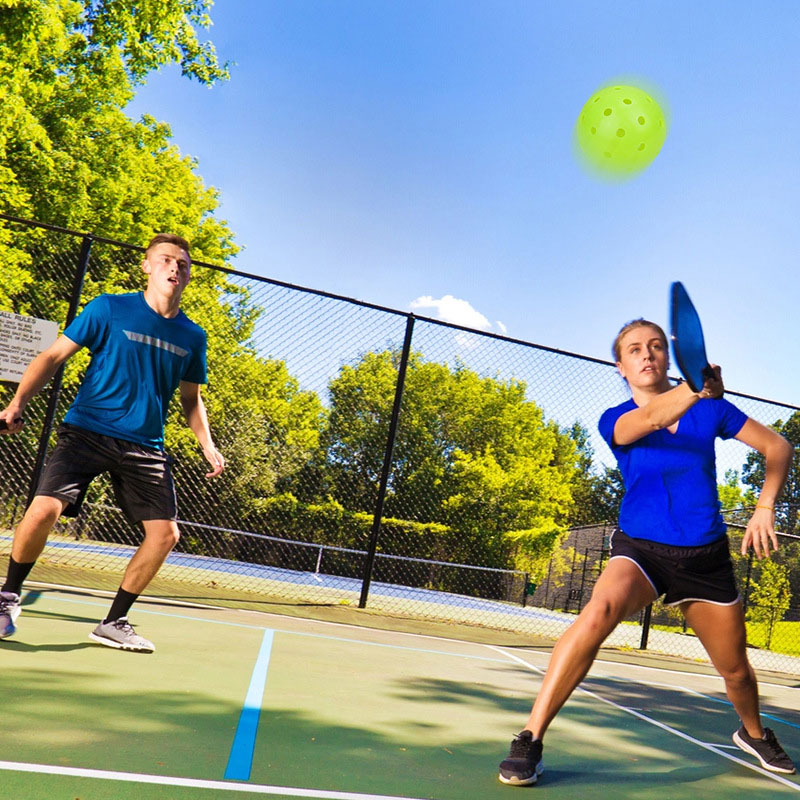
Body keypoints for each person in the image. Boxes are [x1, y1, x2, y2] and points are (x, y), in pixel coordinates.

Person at [498, 318, 796, 785]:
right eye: (634, 349)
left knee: (736, 671)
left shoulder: (712, 409)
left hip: (704, 556)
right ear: (621, 366)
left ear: (668, 356)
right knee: (598, 613)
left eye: (656, 345)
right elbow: (652, 419)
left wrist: (764, 507)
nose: (646, 354)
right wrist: (697, 387)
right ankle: (530, 736)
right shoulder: (615, 419)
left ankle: (754, 733)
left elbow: (778, 447)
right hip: (640, 550)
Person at [0, 233, 225, 652]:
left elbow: (191, 399)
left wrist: (207, 444)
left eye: (182, 263)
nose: (174, 267)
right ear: (147, 266)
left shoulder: (193, 336)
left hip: (145, 446)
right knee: (44, 509)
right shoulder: (108, 307)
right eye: (165, 260)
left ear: (189, 275)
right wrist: (17, 402)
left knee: (165, 535)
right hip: (87, 430)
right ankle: (8, 596)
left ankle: (113, 622)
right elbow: (52, 357)